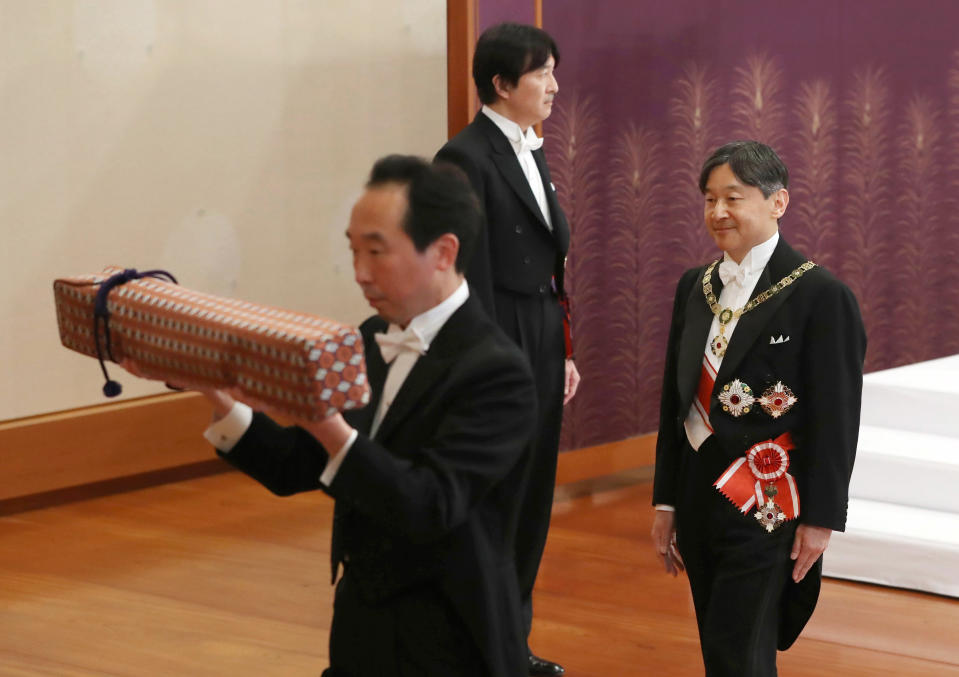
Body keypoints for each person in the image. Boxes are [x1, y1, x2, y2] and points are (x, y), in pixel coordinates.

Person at [136, 156, 537, 676]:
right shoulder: (369, 337)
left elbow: (428, 504)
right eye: (353, 250)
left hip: (452, 634)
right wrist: (216, 393)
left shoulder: (498, 372)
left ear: (443, 251)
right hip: (361, 627)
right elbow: (294, 466)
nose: (359, 273)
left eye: (376, 251)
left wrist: (326, 426)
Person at [651, 140, 866, 676]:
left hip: (766, 500)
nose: (717, 212)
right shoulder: (694, 287)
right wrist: (665, 502)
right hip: (699, 493)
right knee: (717, 642)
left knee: (741, 651)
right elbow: (673, 403)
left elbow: (838, 419)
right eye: (708, 200)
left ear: (778, 203)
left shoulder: (820, 294)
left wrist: (821, 519)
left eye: (733, 197)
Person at [435, 23, 578, 676]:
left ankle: (511, 642)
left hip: (540, 332)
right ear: (500, 84)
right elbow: (472, 274)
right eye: (539, 73)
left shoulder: (530, 147)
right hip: (500, 335)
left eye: (551, 70)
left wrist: (563, 346)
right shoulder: (464, 156)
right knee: (500, 496)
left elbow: (547, 261)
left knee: (533, 494)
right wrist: (488, 363)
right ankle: (483, 645)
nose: (553, 84)